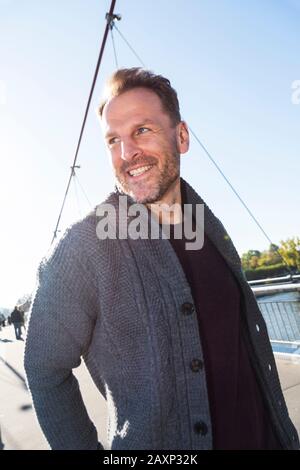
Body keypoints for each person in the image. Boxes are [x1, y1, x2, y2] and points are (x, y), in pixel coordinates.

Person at [24, 68, 299, 450]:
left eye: (142, 131)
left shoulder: (209, 226)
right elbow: (43, 366)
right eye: (113, 140)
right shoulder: (86, 245)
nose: (126, 153)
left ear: (181, 136)